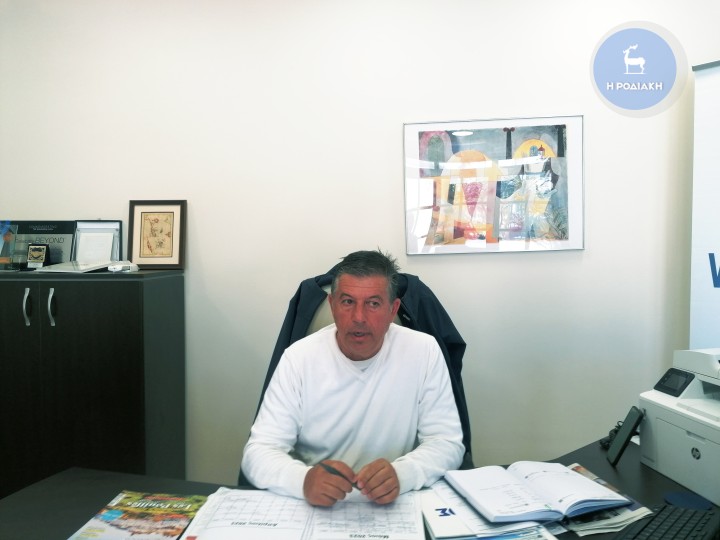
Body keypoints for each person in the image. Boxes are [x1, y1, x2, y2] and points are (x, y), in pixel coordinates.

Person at [240, 249, 464, 506]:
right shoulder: (298, 358)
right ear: (333, 305)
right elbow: (258, 451)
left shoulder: (424, 350)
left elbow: (446, 442)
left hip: (394, 503)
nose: (359, 317)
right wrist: (302, 480)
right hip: (317, 505)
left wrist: (404, 473)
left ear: (393, 309)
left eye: (373, 303)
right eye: (348, 302)